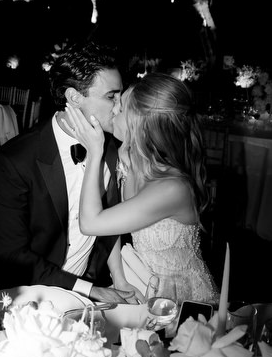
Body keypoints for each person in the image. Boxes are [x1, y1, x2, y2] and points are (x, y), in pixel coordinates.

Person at [0, 41, 137, 305]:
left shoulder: (114, 148)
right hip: (30, 295)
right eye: (111, 96)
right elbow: (13, 256)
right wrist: (89, 291)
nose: (118, 108)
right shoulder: (15, 161)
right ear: (74, 97)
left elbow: (110, 220)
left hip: (93, 286)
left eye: (120, 97)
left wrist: (119, 278)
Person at [65, 72, 219, 306]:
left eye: (122, 106)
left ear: (141, 124)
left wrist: (94, 153)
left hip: (183, 298)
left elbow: (91, 223)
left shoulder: (172, 188)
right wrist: (119, 276)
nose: (114, 109)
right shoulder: (128, 158)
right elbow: (111, 221)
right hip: (143, 283)